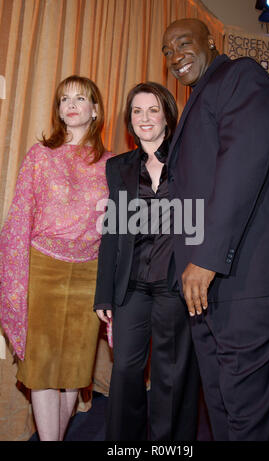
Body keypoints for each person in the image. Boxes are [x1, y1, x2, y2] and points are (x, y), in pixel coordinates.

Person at [161, 18, 269, 441]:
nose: (174, 56)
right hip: (208, 288)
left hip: (247, 279)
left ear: (211, 40)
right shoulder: (200, 98)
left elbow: (242, 165)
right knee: (221, 405)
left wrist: (204, 257)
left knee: (246, 414)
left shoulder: (241, 76)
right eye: (167, 52)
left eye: (183, 43)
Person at [0, 75, 113, 441]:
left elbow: (118, 227)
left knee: (73, 373)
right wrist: (15, 277)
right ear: (59, 110)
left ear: (95, 110)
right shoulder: (40, 155)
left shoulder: (112, 164)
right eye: (64, 99)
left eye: (80, 98)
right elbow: (20, 214)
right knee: (43, 369)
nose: (71, 105)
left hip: (89, 275)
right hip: (44, 269)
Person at [94, 82, 200, 441]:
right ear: (129, 120)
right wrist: (103, 295)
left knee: (171, 375)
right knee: (124, 371)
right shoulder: (118, 168)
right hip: (131, 287)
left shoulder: (191, 161)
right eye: (137, 111)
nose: (145, 118)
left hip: (174, 285)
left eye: (153, 109)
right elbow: (111, 233)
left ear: (167, 115)